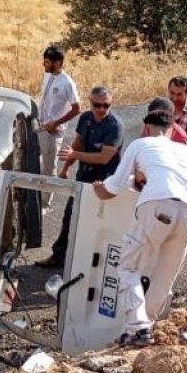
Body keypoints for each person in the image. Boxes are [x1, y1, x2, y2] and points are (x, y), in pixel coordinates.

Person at [93, 109, 187, 346]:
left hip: (157, 205)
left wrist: (100, 190)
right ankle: (146, 326)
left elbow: (114, 186)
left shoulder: (140, 143)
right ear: (172, 129)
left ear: (146, 127)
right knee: (164, 276)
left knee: (128, 268)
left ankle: (138, 327)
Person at [40, 85, 123, 268]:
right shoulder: (85, 118)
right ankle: (59, 257)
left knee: (97, 222)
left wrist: (74, 156)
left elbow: (104, 157)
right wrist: (66, 168)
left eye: (106, 105)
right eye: (97, 105)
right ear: (90, 102)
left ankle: (90, 264)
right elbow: (77, 145)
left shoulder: (114, 126)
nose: (101, 109)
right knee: (70, 216)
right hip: (83, 177)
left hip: (104, 182)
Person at [37, 45, 81, 209]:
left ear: (58, 62)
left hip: (53, 131)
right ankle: (36, 195)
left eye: (47, 62)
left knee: (49, 167)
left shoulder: (67, 83)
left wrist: (56, 123)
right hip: (41, 126)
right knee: (36, 163)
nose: (44, 64)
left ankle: (45, 204)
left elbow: (77, 109)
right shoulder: (47, 76)